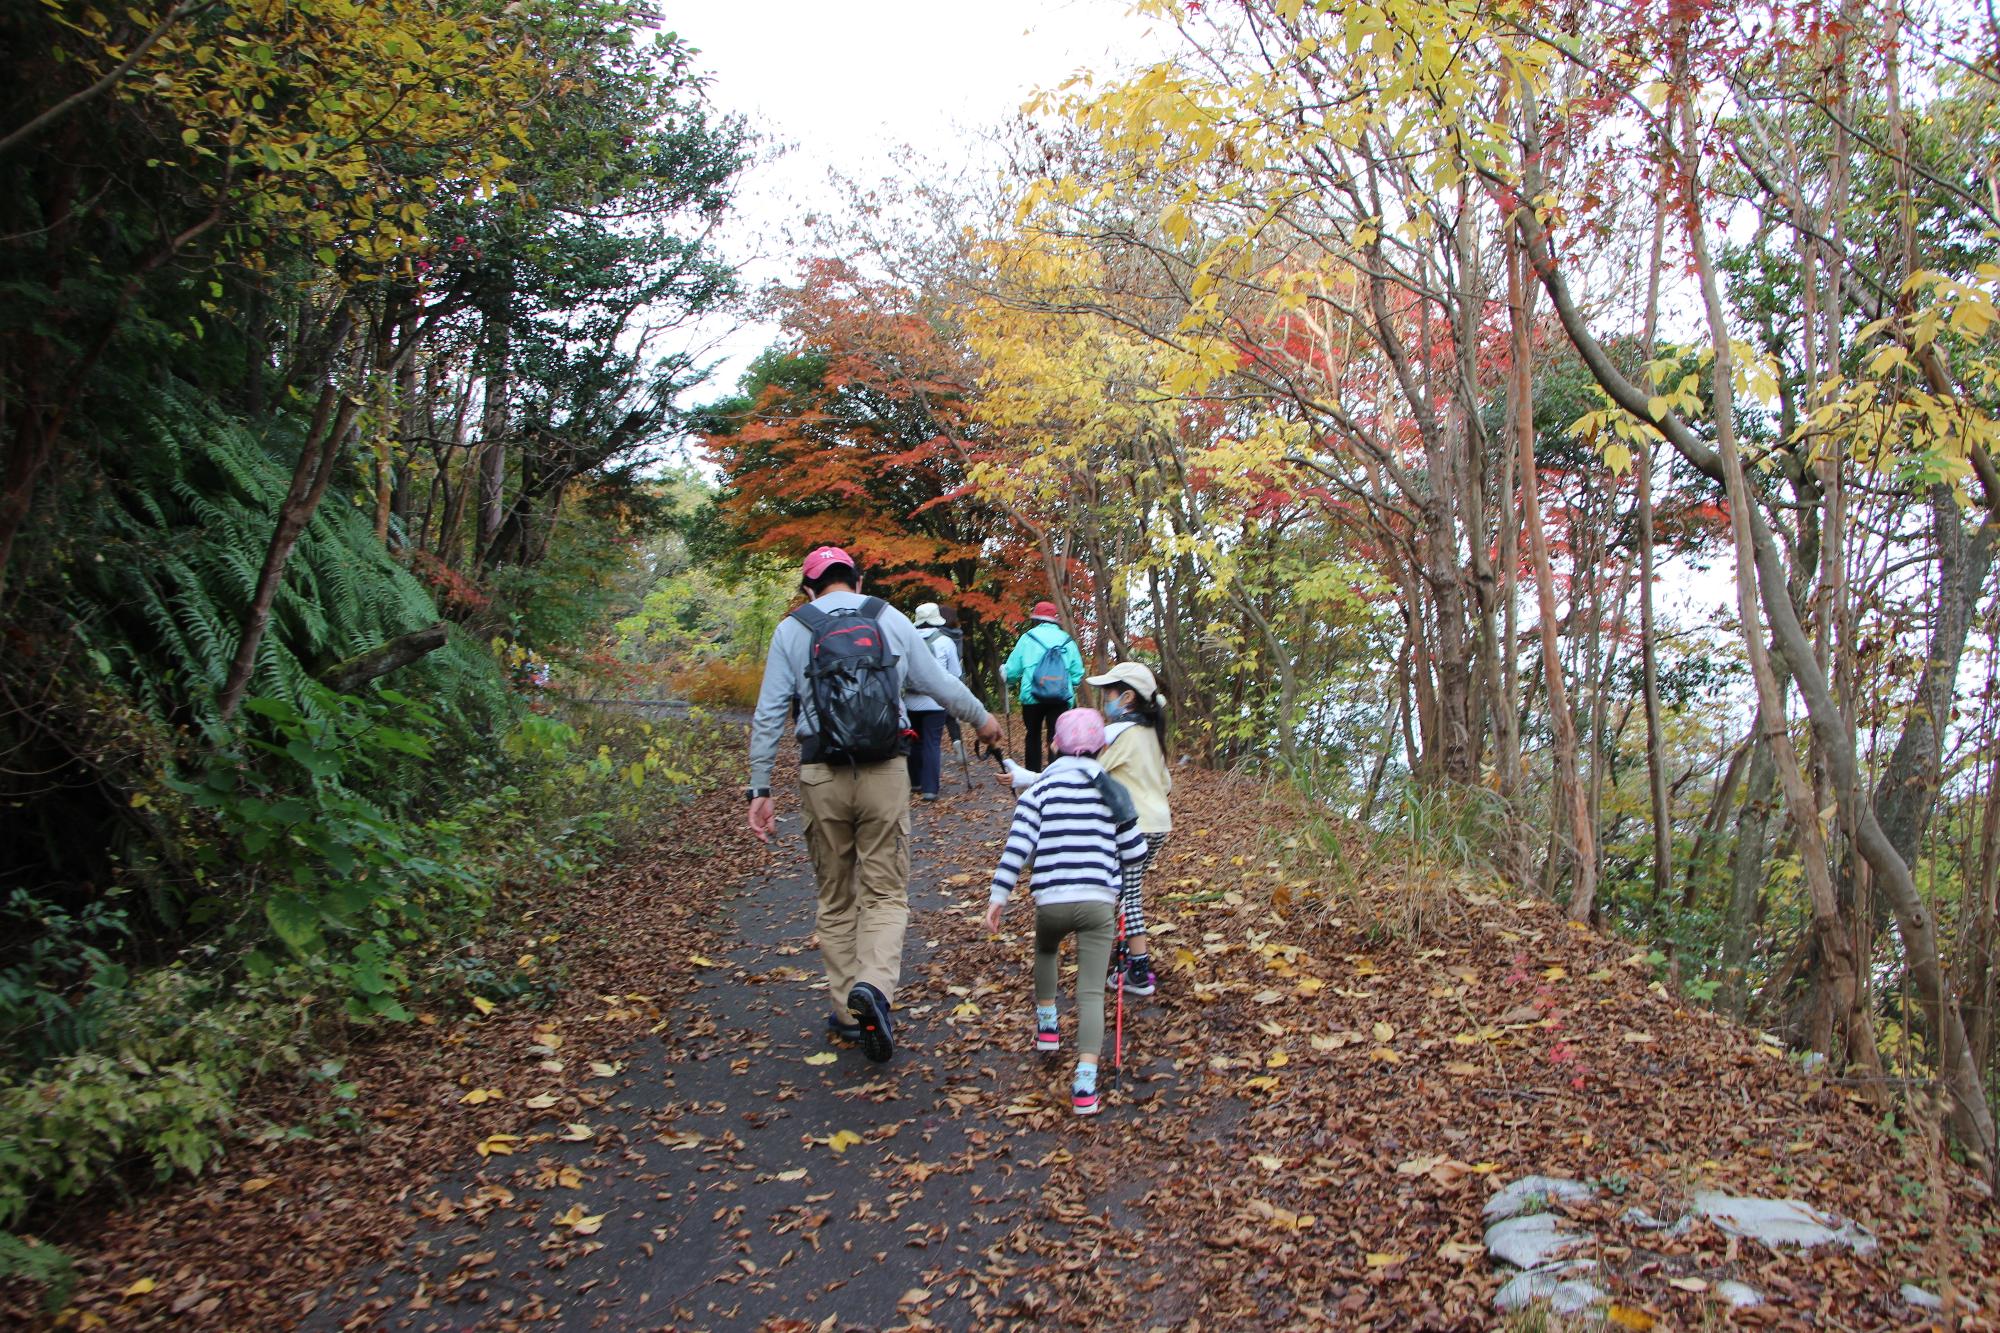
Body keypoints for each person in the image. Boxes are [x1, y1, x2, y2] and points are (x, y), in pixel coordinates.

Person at [748, 547, 1004, 1062]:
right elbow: (937, 683)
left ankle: (847, 1011)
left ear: (808, 589)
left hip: (821, 772)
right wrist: (982, 719)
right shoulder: (888, 618)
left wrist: (759, 788)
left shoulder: (792, 628)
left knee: (837, 896)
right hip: (887, 770)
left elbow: (771, 709)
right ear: (858, 580)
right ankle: (876, 990)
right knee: (886, 894)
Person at [984, 707, 1148, 1116]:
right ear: (1103, 747)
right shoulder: (1113, 792)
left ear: (1054, 745)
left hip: (1051, 902)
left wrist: (998, 896)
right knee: (1091, 991)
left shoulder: (1039, 791)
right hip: (1098, 905)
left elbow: (1017, 849)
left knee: (1046, 952)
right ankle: (1085, 1086)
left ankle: (1047, 1027)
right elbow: (1136, 853)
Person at [1000, 661, 1172, 997]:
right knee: (1123, 890)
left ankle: (1137, 970)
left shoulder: (1119, 733)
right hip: (1158, 823)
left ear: (1126, 698)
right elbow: (1165, 783)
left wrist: (1026, 778)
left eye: (1109, 692)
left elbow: (1081, 774)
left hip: (1134, 823)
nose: (1104, 697)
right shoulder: (1151, 731)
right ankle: (1126, 961)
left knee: (1128, 895)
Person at [1000, 601, 1084, 771]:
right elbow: (1077, 673)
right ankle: (1055, 776)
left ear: (1036, 619)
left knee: (1033, 735)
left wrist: (1007, 675)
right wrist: (1070, 684)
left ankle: (1033, 776)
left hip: (1032, 697)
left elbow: (1012, 672)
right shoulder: (1067, 640)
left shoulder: (1027, 638)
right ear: (1055, 620)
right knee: (1056, 737)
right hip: (1060, 698)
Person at [902, 602, 958, 801]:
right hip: (935, 702)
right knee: (932, 743)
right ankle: (930, 789)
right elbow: (954, 674)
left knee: (913, 741)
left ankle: (915, 782)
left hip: (910, 700)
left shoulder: (907, 640)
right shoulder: (945, 641)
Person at [936, 605, 969, 773]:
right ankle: (956, 741)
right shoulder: (958, 634)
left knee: (934, 717)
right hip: (955, 677)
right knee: (951, 716)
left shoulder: (937, 635)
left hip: (937, 678)